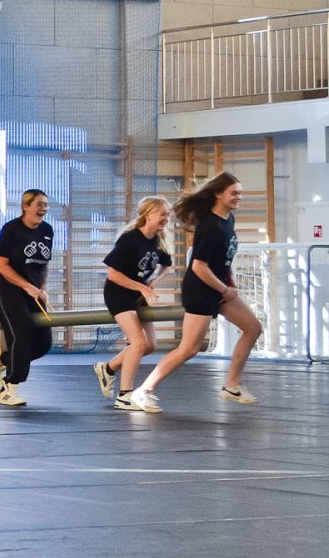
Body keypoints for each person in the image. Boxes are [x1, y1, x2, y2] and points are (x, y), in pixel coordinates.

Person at [129, 172, 263, 412]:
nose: (238, 197)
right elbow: (199, 267)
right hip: (201, 290)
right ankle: (143, 391)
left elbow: (223, 259)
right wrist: (224, 288)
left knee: (253, 328)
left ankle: (232, 385)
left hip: (219, 288)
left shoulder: (228, 220)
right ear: (218, 194)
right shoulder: (210, 226)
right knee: (189, 349)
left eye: (240, 193)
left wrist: (230, 282)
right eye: (233, 193)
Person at [95, 197, 173, 410]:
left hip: (139, 294)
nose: (166, 218)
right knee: (138, 343)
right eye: (162, 214)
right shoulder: (130, 239)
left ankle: (108, 369)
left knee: (149, 345)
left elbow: (166, 265)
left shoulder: (159, 239)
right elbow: (113, 274)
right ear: (148, 214)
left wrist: (154, 280)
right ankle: (124, 395)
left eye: (168, 215)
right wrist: (142, 287)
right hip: (119, 294)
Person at [0, 189, 54, 407]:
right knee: (21, 334)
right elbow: (2, 266)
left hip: (33, 291)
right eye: (39, 204)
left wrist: (41, 288)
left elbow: (43, 265)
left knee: (43, 344)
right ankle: (10, 389)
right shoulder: (11, 229)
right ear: (25, 206)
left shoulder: (47, 230)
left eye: (45, 205)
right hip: (8, 289)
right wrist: (26, 286)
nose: (43, 209)